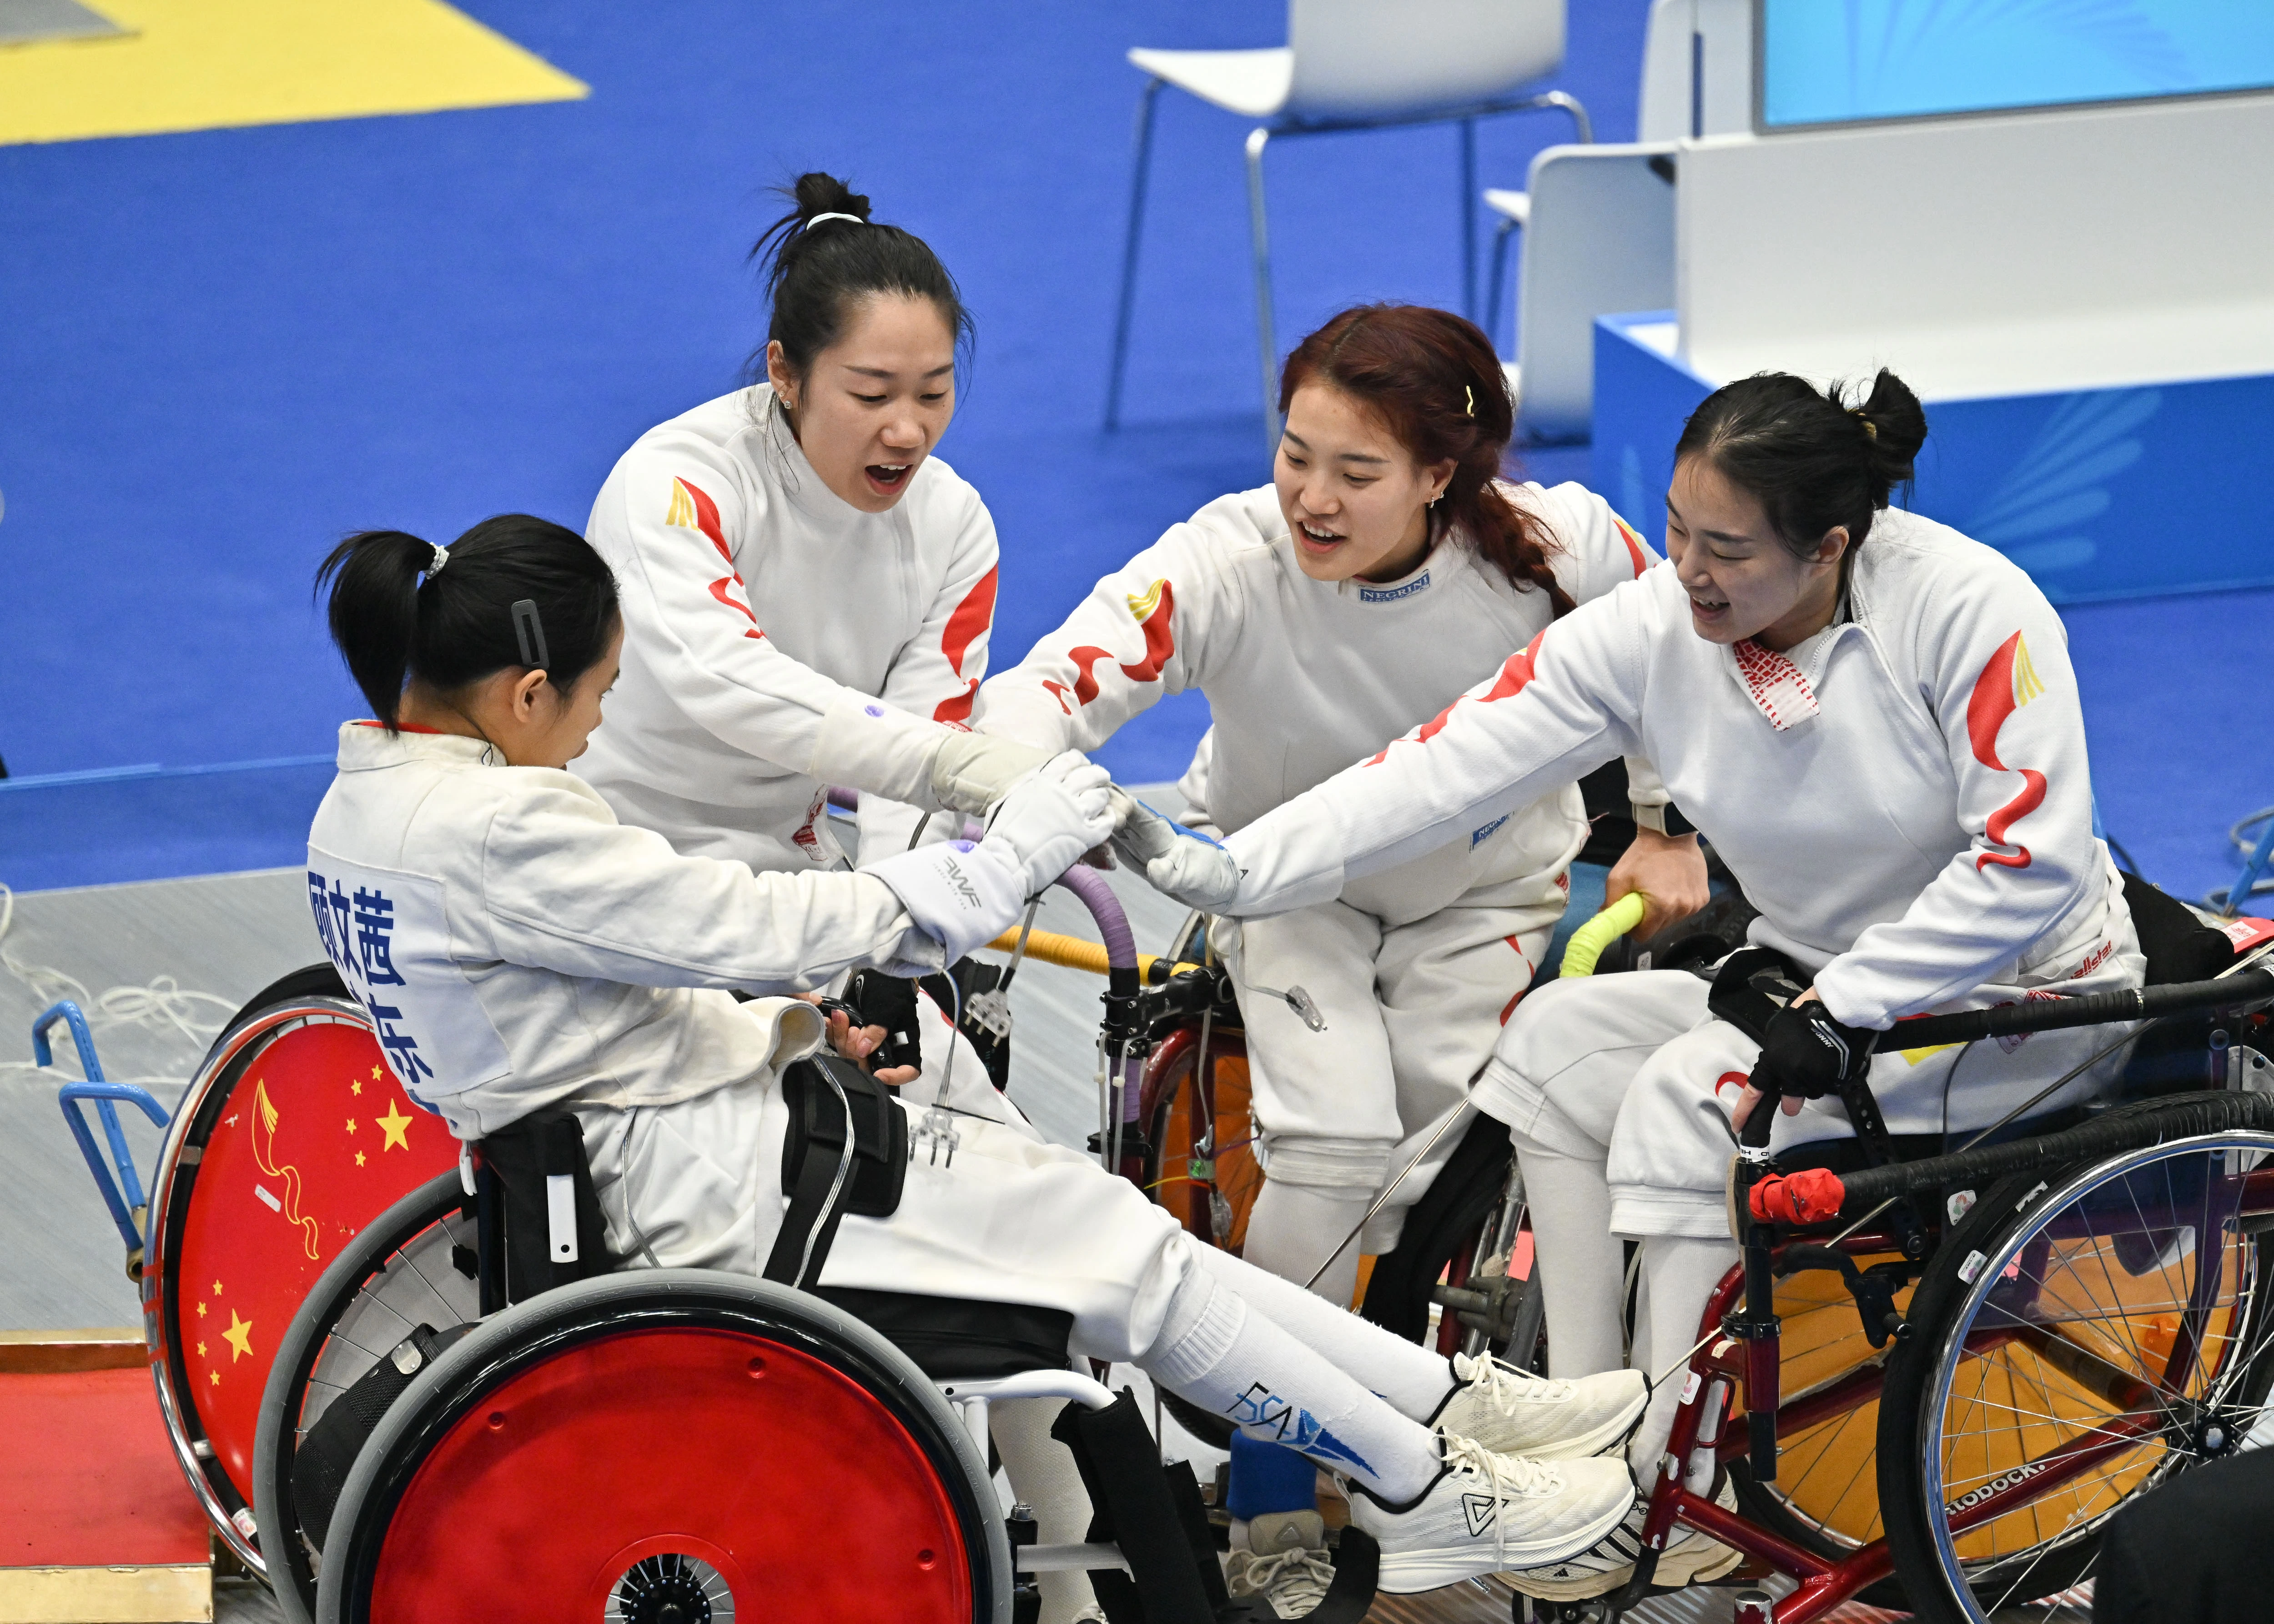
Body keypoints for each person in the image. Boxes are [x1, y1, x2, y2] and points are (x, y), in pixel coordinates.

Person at [303, 514, 1651, 1598]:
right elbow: (761, 928)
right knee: (1122, 1262)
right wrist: (998, 859)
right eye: (593, 697)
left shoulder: (369, 811)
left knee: (1119, 1228)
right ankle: (1424, 1491)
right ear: (525, 689)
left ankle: (1450, 1407)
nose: (598, 725)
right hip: (710, 1193)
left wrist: (784, 1028)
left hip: (682, 1149)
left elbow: (579, 1005)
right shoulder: (495, 831)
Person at [1114, 369, 2145, 1599]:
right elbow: (1438, 766)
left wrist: (1851, 1001)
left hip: (2023, 997)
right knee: (1554, 1045)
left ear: (1830, 545)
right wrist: (1229, 865)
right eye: (1674, 531)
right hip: (1815, 995)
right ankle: (1587, 1450)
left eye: (1728, 550)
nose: (1690, 572)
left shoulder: (1973, 608)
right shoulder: (1661, 629)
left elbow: (2026, 863)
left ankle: (1679, 1492)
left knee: (1685, 1099)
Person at [978, 305, 1706, 1313]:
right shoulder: (1226, 562)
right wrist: (1007, 797)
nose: (1312, 502)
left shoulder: (1557, 548)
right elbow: (1052, 680)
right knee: (1334, 1149)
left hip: (1481, 898)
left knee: (1407, 1171)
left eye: (1357, 475)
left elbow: (1679, 641)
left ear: (1438, 477)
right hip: (1285, 889)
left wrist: (1665, 822)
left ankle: (1357, 1400)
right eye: (1295, 455)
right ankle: (1280, 1453)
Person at [573, 171, 1046, 1096]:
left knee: (963, 1118)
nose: (908, 432)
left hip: (788, 884)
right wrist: (964, 775)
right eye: (871, 396)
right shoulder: (677, 484)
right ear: (785, 372)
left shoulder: (955, 526)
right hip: (614, 866)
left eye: (935, 394)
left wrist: (894, 947)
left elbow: (909, 773)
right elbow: (734, 686)